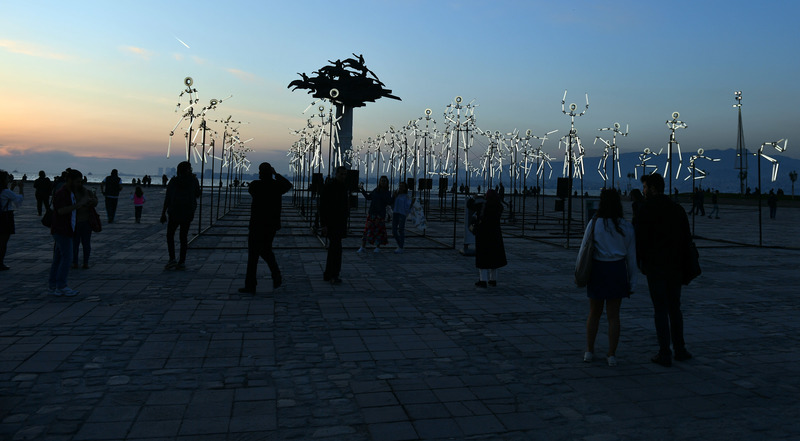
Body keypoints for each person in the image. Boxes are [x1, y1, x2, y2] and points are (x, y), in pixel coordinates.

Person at [636, 173, 693, 367]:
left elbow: (639, 240)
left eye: (645, 187)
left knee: (660, 309)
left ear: (652, 188)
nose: (643, 191)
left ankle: (664, 352)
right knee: (675, 308)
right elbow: (687, 239)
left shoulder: (645, 210)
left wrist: (640, 262)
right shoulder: (677, 209)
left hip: (655, 266)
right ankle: (680, 348)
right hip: (675, 266)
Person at [578, 189, 637, 367]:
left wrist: (578, 272)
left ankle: (589, 350)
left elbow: (583, 250)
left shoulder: (595, 223)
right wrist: (632, 281)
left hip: (598, 269)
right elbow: (631, 257)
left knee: (594, 313)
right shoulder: (626, 226)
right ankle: (611, 354)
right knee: (614, 315)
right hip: (617, 270)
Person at [238, 163, 292, 293]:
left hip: (257, 224)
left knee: (254, 255)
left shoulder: (255, 185)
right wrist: (276, 174)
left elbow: (251, 190)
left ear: (261, 173)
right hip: (271, 224)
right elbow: (288, 185)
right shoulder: (276, 186)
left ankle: (251, 284)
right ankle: (275, 273)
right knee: (266, 250)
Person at [49, 169, 89, 296]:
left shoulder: (71, 192)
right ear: (70, 180)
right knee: (67, 258)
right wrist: (79, 205)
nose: (79, 184)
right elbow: (61, 211)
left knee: (58, 258)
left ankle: (54, 285)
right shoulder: (63, 193)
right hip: (62, 230)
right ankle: (61, 285)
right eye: (77, 181)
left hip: (66, 229)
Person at [160, 161, 200, 270]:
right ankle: (181, 261)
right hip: (187, 212)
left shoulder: (173, 181)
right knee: (183, 237)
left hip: (174, 212)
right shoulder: (193, 181)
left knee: (170, 235)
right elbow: (198, 194)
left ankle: (172, 258)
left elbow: (167, 198)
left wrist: (163, 213)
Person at [319, 166, 349, 284]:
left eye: (345, 174)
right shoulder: (329, 187)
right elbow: (323, 206)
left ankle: (329, 273)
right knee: (335, 250)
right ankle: (333, 274)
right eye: (341, 174)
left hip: (340, 222)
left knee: (335, 249)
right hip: (332, 223)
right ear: (336, 174)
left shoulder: (343, 187)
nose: (343, 176)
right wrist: (324, 224)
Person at [473, 189, 507, 288]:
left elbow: (470, 205)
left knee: (482, 258)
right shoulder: (499, 206)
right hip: (495, 234)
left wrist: (475, 197)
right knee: (494, 258)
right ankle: (493, 279)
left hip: (484, 234)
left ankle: (483, 280)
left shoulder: (484, 205)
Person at [357, 176, 392, 253]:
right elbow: (368, 197)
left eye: (384, 181)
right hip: (372, 213)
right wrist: (362, 190)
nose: (383, 182)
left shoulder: (387, 193)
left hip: (380, 215)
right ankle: (363, 246)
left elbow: (389, 202)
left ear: (386, 183)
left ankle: (377, 247)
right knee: (366, 230)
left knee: (379, 231)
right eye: (381, 181)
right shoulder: (376, 190)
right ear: (379, 182)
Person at [71, 177, 98, 269]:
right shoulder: (85, 192)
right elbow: (95, 202)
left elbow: (95, 202)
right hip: (81, 222)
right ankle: (82, 262)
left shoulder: (76, 192)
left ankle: (79, 262)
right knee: (82, 243)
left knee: (78, 243)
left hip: (81, 222)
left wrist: (92, 201)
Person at [0, 170, 24, 271]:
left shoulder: (4, 191)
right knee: (3, 242)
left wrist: (12, 188)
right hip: (5, 217)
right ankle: (0, 263)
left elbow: (7, 197)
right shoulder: (5, 192)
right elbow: (18, 200)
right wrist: (21, 188)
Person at [391, 181, 414, 253]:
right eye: (400, 186)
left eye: (402, 186)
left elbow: (408, 206)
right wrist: (393, 196)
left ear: (405, 188)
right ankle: (400, 244)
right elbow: (392, 203)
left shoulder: (406, 196)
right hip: (395, 213)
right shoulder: (396, 195)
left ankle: (401, 246)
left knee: (401, 230)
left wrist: (412, 204)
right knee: (394, 231)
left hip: (402, 214)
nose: (400, 187)